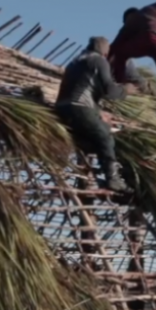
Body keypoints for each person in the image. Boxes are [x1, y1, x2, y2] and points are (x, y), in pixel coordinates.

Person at [55, 36, 131, 193]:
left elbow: (83, 88)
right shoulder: (98, 61)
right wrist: (125, 90)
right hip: (79, 108)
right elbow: (110, 90)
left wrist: (97, 111)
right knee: (105, 135)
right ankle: (113, 179)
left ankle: (91, 175)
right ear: (104, 50)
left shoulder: (76, 61)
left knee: (89, 137)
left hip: (62, 108)